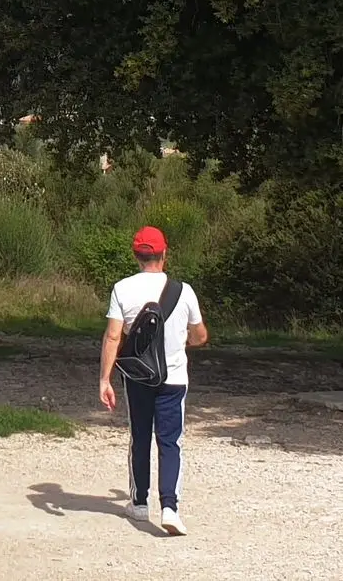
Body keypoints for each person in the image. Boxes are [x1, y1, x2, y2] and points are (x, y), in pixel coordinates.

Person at [97, 225, 207, 536]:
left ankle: (140, 502)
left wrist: (105, 379)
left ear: (136, 255)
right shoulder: (184, 291)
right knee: (171, 442)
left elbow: (113, 336)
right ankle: (170, 507)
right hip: (174, 380)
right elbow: (200, 336)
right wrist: (180, 341)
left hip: (138, 378)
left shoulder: (122, 289)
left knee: (140, 438)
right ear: (164, 254)